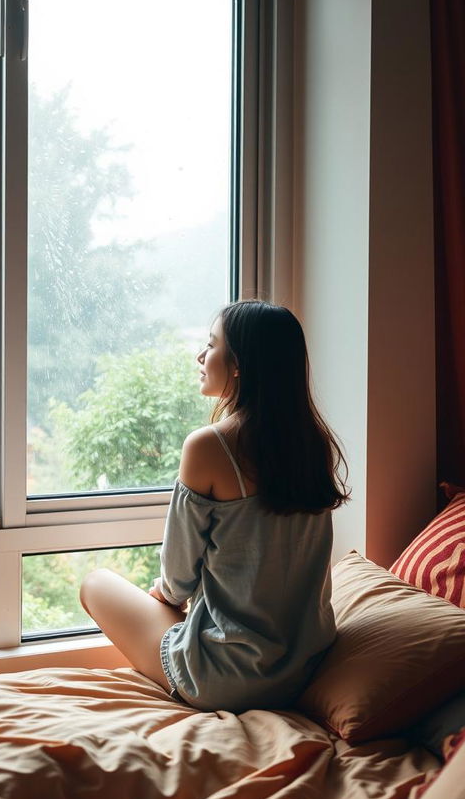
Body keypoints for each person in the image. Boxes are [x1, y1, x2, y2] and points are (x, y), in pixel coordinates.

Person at [80, 299, 350, 713]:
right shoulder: (313, 444)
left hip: (228, 679)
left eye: (211, 344)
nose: (201, 356)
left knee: (95, 583)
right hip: (303, 670)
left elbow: (177, 579)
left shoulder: (210, 445)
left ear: (240, 363)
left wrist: (165, 595)